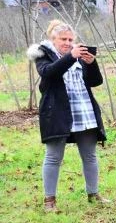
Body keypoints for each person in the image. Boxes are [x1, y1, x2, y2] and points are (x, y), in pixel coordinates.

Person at [27, 19, 107, 212]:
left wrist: (91, 63)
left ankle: (93, 194)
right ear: (53, 39)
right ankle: (49, 201)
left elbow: (95, 81)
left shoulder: (78, 56)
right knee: (54, 157)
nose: (68, 42)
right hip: (57, 112)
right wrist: (71, 56)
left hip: (84, 110)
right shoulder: (43, 55)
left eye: (71, 39)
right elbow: (49, 73)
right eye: (63, 38)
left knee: (90, 155)